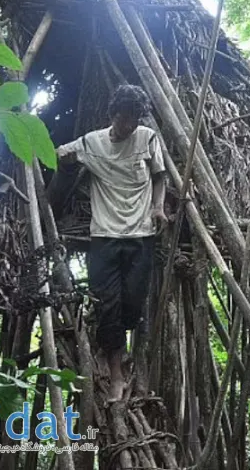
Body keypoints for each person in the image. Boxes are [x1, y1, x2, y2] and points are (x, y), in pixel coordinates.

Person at [56, 84, 167, 400]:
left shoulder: (147, 137)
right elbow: (62, 155)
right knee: (107, 305)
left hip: (141, 235)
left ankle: (113, 349)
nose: (128, 126)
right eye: (123, 119)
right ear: (112, 114)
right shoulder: (92, 143)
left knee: (132, 303)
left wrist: (158, 207)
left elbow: (159, 176)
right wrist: (62, 162)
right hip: (103, 237)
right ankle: (117, 372)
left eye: (133, 120)